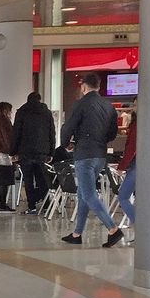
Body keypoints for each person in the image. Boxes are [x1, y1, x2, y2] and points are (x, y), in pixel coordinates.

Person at [60, 72, 124, 246]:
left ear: (83, 86)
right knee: (83, 194)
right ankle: (77, 234)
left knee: (88, 194)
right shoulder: (108, 106)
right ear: (99, 86)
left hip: (85, 154)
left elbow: (68, 127)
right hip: (100, 155)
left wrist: (65, 143)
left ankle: (113, 229)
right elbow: (112, 132)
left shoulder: (81, 104)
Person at [12, 91, 56, 214]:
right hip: (42, 152)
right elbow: (52, 133)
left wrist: (13, 151)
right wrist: (51, 152)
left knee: (28, 180)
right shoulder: (46, 113)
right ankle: (46, 205)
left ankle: (31, 206)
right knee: (42, 179)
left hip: (25, 152)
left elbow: (16, 133)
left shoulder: (21, 112)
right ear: (40, 99)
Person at [116, 99, 137, 229]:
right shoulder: (136, 123)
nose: (133, 107)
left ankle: (139, 225)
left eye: (135, 104)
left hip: (135, 165)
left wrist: (122, 166)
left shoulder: (137, 125)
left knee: (123, 196)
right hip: (137, 164)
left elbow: (131, 147)